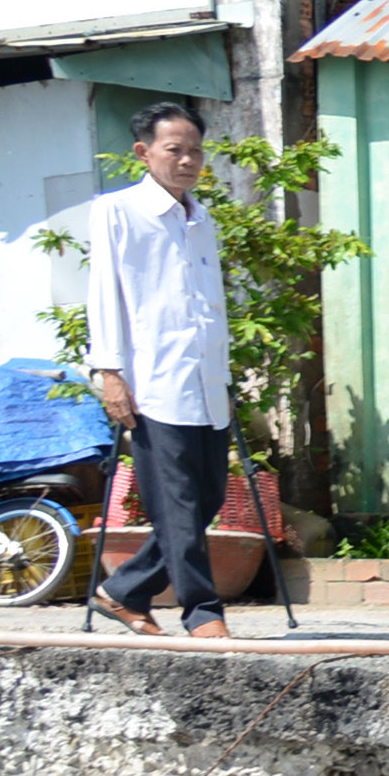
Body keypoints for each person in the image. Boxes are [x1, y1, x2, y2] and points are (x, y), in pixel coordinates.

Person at [83, 99, 238, 640]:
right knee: (175, 501)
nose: (188, 160)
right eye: (175, 150)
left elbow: (209, 302)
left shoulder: (202, 218)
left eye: (196, 150)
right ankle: (203, 611)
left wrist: (224, 372)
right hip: (153, 382)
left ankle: (122, 591)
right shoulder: (117, 211)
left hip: (206, 382)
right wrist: (110, 373)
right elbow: (104, 295)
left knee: (210, 496)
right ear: (143, 152)